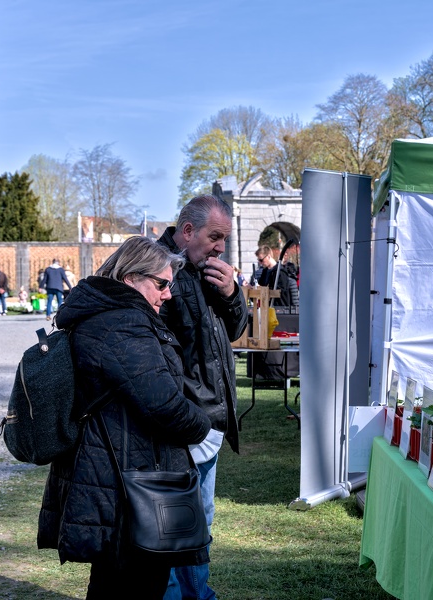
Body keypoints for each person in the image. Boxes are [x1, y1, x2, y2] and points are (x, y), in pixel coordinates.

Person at [37, 236, 213, 598]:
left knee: (115, 583)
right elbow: (162, 403)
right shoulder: (122, 323)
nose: (167, 295)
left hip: (117, 470)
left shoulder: (107, 314)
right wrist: (204, 424)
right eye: (161, 284)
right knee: (131, 585)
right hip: (125, 479)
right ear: (131, 278)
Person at [157, 194, 249, 600]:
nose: (220, 248)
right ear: (188, 231)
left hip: (208, 422)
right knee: (174, 526)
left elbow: (233, 331)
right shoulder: (156, 269)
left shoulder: (205, 269)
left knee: (200, 520)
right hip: (179, 423)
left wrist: (232, 294)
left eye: (224, 240)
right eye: (215, 237)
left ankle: (199, 594)